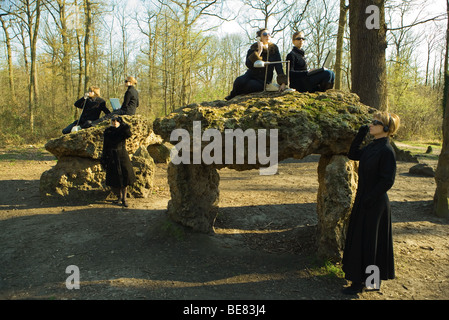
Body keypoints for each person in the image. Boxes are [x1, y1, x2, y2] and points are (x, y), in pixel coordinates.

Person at [341, 111, 401, 295]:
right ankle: (360, 280)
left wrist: (370, 198)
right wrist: (360, 135)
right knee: (360, 240)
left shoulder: (386, 150)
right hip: (364, 199)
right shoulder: (373, 146)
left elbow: (387, 180)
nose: (371, 125)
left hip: (375, 203)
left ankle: (368, 282)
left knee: (371, 243)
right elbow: (353, 154)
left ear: (385, 128)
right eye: (372, 122)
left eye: (375, 122)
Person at [225, 28, 288, 100]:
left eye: (269, 34)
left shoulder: (274, 50)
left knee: (251, 85)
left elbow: (279, 66)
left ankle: (239, 96)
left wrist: (283, 83)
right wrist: (259, 52)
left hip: (264, 79)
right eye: (264, 34)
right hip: (250, 75)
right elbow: (248, 64)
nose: (267, 36)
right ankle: (232, 96)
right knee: (239, 81)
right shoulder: (253, 48)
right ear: (259, 37)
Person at [101, 115, 136, 207]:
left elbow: (128, 134)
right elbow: (105, 146)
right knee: (115, 179)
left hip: (122, 156)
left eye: (117, 121)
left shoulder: (122, 131)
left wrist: (124, 123)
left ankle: (124, 199)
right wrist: (104, 158)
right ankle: (119, 197)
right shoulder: (108, 132)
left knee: (124, 177)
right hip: (112, 156)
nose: (115, 122)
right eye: (113, 121)